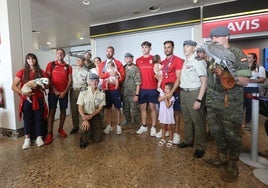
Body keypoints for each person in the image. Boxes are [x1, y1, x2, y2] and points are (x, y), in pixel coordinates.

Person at [204, 26, 250, 182]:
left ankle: (233, 163)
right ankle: (222, 157)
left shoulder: (237, 54)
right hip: (213, 102)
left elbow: (244, 81)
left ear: (227, 37)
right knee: (217, 132)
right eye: (212, 37)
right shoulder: (212, 55)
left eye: (216, 37)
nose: (213, 40)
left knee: (232, 135)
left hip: (230, 103)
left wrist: (226, 74)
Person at [177, 40, 207, 159]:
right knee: (187, 120)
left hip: (194, 93)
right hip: (184, 93)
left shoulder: (198, 61)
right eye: (184, 46)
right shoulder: (186, 62)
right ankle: (188, 140)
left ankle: (201, 147)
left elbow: (204, 82)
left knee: (198, 121)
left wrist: (199, 100)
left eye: (188, 46)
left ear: (194, 48)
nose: (185, 48)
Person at [12, 53, 48, 149]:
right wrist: (23, 93)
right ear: (26, 61)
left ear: (36, 60)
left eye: (33, 59)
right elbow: (13, 86)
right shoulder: (22, 72)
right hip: (26, 100)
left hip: (39, 99)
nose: (31, 60)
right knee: (27, 119)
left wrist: (39, 85)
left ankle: (39, 137)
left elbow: (47, 85)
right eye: (28, 59)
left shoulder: (41, 72)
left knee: (39, 118)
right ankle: (27, 139)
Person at [155, 41, 184, 145]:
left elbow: (179, 78)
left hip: (174, 91)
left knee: (175, 113)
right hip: (163, 91)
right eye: (165, 47)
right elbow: (161, 77)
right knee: (164, 112)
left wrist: (171, 92)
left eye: (169, 47)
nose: (167, 49)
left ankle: (176, 133)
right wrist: (158, 78)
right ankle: (166, 130)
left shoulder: (178, 60)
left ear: (173, 48)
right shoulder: (162, 63)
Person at [45, 48, 72, 145]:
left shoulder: (68, 67)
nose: (59, 54)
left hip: (64, 93)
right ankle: (49, 133)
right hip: (53, 93)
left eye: (61, 53)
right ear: (56, 54)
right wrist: (55, 90)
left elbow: (70, 80)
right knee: (52, 112)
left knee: (63, 111)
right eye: (58, 53)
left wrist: (65, 92)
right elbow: (47, 79)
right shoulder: (51, 65)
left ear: (64, 55)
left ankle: (60, 129)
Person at [99, 46, 125, 135]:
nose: (109, 53)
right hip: (106, 89)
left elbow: (122, 76)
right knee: (108, 108)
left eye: (110, 51)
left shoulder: (118, 63)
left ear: (113, 53)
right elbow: (100, 75)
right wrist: (109, 74)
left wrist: (115, 81)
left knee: (117, 107)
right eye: (107, 51)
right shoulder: (102, 64)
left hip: (116, 89)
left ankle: (118, 125)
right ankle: (109, 125)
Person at [77, 73, 106, 149]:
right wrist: (84, 118)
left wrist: (91, 116)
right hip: (84, 114)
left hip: (94, 115)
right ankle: (83, 139)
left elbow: (100, 108)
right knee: (83, 128)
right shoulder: (83, 91)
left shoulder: (101, 93)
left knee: (97, 139)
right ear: (89, 82)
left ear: (98, 81)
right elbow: (80, 106)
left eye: (96, 81)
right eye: (92, 81)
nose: (94, 83)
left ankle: (91, 131)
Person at [135, 41, 158, 136]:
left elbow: (158, 72)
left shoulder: (154, 59)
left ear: (150, 48)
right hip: (142, 88)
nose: (144, 49)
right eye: (143, 47)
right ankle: (144, 126)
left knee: (153, 107)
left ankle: (153, 127)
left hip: (152, 87)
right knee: (143, 107)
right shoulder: (138, 60)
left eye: (146, 47)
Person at [242, 53, 266, 130]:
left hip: (252, 89)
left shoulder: (259, 67)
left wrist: (251, 80)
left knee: (251, 108)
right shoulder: (243, 66)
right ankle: (240, 123)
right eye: (246, 57)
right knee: (240, 107)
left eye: (249, 57)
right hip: (241, 89)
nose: (247, 58)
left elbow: (263, 79)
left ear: (254, 59)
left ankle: (248, 124)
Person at [69, 56, 89, 135]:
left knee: (82, 110)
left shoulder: (86, 72)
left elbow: (88, 85)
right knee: (73, 110)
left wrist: (85, 94)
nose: (78, 61)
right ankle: (75, 126)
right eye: (77, 60)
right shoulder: (73, 70)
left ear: (84, 61)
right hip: (73, 91)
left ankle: (83, 126)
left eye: (80, 60)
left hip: (82, 92)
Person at [122, 52, 141, 127]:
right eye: (127, 58)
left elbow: (138, 83)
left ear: (132, 59)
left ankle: (136, 124)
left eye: (130, 58)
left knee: (135, 110)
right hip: (125, 93)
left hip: (133, 93)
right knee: (125, 109)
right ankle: (128, 121)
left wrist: (137, 95)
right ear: (125, 59)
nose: (128, 60)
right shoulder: (123, 68)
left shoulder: (135, 69)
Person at [157, 82, 175, 148]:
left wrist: (165, 98)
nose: (165, 90)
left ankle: (170, 140)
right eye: (165, 88)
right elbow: (159, 99)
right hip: (163, 114)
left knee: (170, 128)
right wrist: (165, 96)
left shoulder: (172, 97)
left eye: (168, 89)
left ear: (171, 90)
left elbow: (168, 106)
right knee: (163, 127)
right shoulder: (162, 94)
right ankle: (163, 138)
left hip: (169, 115)